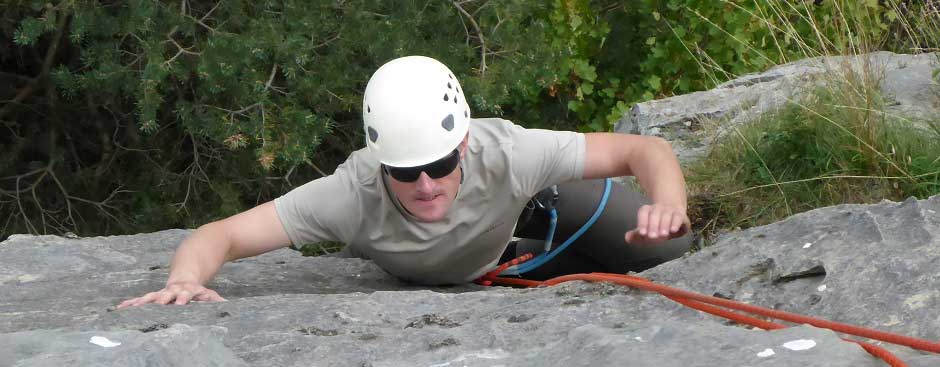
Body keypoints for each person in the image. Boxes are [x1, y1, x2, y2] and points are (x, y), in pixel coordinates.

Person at [117, 56, 691, 308]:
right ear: (379, 164)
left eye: (440, 165)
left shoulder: (509, 153)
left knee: (670, 247)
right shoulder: (351, 194)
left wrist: (666, 204)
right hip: (489, 263)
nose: (425, 184)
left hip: (530, 219)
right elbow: (222, 235)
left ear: (463, 144)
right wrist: (185, 280)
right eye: (404, 171)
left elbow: (644, 149)